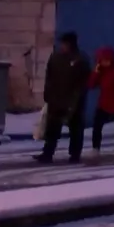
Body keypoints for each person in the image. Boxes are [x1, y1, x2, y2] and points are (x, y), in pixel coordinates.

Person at [35, 32, 91, 163]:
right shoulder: (56, 57)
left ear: (71, 44)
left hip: (73, 99)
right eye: (62, 44)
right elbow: (49, 76)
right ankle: (48, 153)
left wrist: (77, 99)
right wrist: (47, 93)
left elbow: (83, 82)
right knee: (52, 127)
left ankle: (75, 154)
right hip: (56, 98)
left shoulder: (80, 59)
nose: (62, 46)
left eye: (65, 44)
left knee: (75, 128)